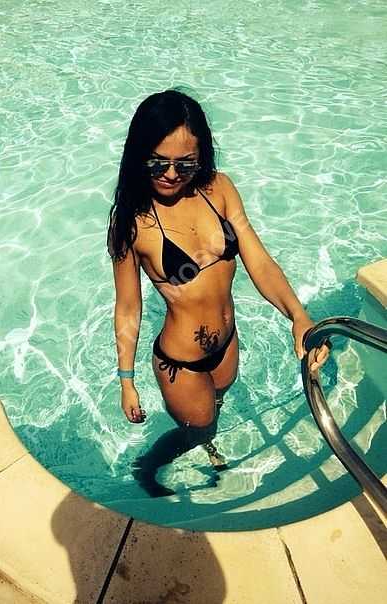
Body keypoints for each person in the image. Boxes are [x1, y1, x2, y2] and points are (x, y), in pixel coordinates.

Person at [107, 89, 330, 495]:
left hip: (227, 343)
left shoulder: (219, 189)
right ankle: (148, 468)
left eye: (185, 163)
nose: (171, 174)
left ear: (202, 156)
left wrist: (298, 315)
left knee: (218, 405)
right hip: (181, 364)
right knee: (197, 428)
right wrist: (127, 380)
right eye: (157, 162)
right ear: (138, 155)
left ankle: (208, 442)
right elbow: (128, 309)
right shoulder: (133, 224)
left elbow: (259, 261)